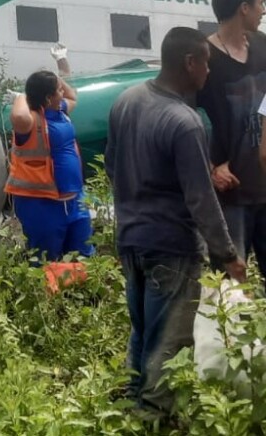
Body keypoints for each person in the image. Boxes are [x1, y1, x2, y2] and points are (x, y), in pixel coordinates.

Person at [106, 26, 247, 416]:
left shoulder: (127, 101)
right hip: (172, 246)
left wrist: (135, 211)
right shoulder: (185, 122)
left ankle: (132, 402)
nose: (208, 72)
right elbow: (201, 198)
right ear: (190, 62)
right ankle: (152, 415)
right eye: (206, 63)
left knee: (143, 329)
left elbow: (114, 169)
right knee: (169, 338)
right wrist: (228, 255)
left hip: (132, 239)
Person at [196, 0, 266, 281]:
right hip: (230, 194)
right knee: (230, 285)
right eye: (261, 3)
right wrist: (210, 165)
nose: (264, 11)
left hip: (265, 186)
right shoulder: (203, 58)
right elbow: (182, 118)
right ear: (244, 8)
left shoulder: (263, 45)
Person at [5, 68, 95, 263]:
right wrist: (22, 95)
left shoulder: (60, 111)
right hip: (42, 204)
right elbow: (19, 116)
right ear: (48, 98)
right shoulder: (31, 121)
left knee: (83, 257)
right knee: (46, 262)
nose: (62, 91)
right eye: (58, 89)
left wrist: (55, 76)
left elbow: (73, 97)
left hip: (74, 200)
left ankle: (75, 292)